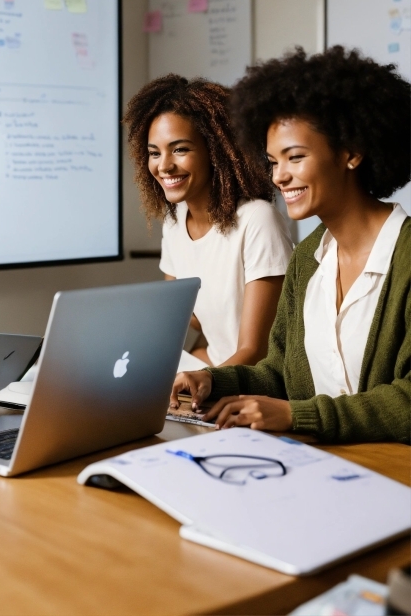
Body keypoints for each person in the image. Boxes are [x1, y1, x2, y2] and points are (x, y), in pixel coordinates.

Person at [174, 47, 410, 444]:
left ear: (351, 152)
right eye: (272, 162)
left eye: (294, 157)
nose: (279, 177)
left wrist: (298, 416)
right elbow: (280, 372)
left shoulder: (404, 254)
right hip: (324, 467)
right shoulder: (309, 257)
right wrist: (211, 380)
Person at [123, 75, 293, 372]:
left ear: (215, 152)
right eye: (154, 152)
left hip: (257, 387)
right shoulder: (174, 223)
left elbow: (256, 351)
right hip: (216, 376)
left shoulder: (257, 220)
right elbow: (191, 326)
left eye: (180, 149)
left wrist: (201, 382)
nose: (163, 166)